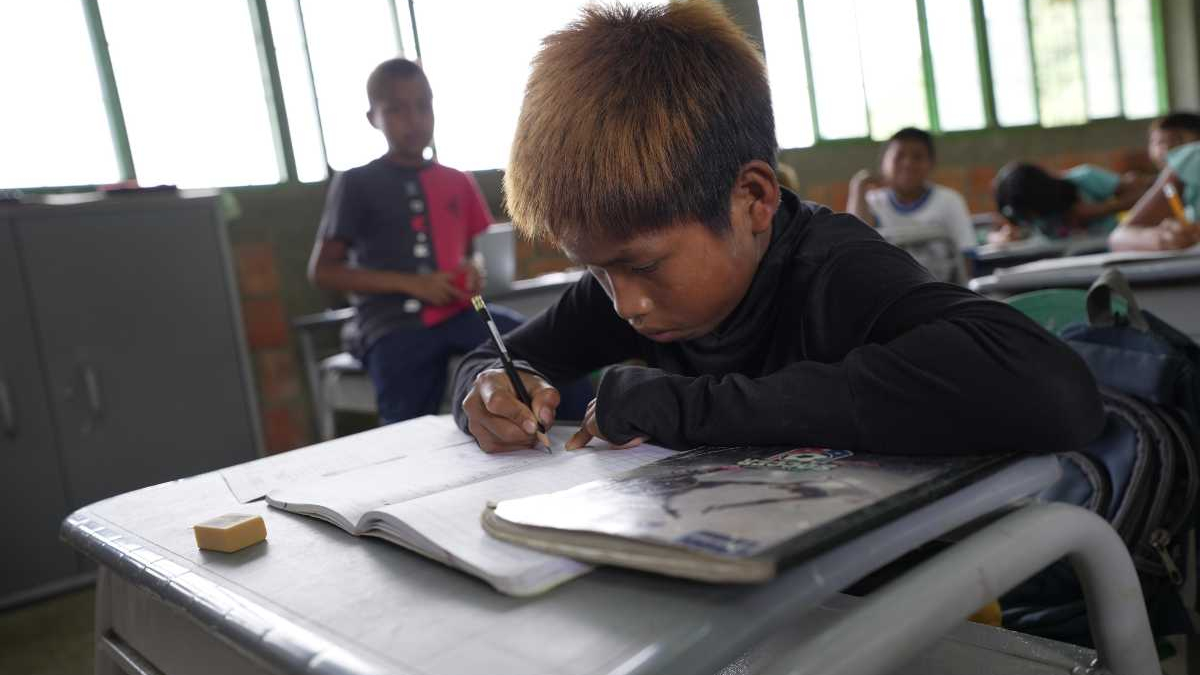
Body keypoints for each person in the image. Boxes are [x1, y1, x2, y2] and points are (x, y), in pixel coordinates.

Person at [452, 0, 1102, 456]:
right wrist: (486, 392)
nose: (624, 304)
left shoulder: (832, 267)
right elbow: (492, 359)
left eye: (642, 267)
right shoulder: (627, 281)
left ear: (753, 200)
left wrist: (691, 408)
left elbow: (1053, 388)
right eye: (596, 270)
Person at [308, 59, 532, 424]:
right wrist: (413, 285)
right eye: (396, 108)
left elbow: (472, 255)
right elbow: (323, 272)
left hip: (459, 313)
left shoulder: (458, 181)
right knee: (407, 419)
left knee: (530, 346)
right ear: (372, 117)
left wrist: (473, 272)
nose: (413, 119)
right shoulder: (356, 183)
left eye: (422, 105)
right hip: (391, 324)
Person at [846, 127, 976, 281]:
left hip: (940, 292)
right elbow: (854, 246)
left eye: (918, 157)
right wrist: (858, 187)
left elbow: (966, 256)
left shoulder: (949, 201)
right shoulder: (873, 202)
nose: (907, 164)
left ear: (931, 163)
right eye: (899, 156)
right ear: (883, 164)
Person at [991, 161, 1149, 242]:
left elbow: (1142, 195)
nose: (1032, 217)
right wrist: (1003, 238)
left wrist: (1100, 209)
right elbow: (995, 234)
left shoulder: (1085, 178)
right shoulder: (1025, 213)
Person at [1109, 113, 1200, 251]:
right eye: (1158, 143)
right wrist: (1162, 239)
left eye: (1177, 140)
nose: (1165, 149)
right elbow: (1118, 237)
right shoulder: (1191, 160)